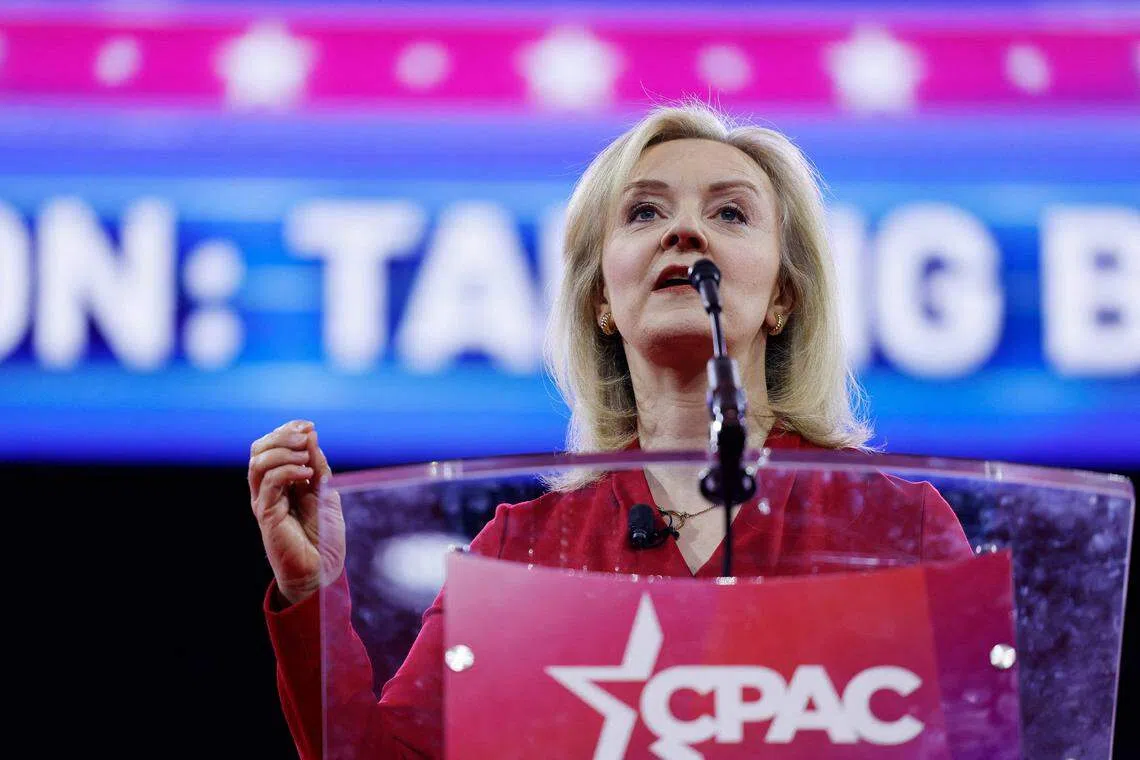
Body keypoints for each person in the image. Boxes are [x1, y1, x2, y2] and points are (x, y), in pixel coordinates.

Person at [249, 102, 973, 758]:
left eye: (730, 214)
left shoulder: (895, 528)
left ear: (782, 296)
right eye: (644, 214)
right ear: (602, 298)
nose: (684, 231)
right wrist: (316, 592)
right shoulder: (525, 552)